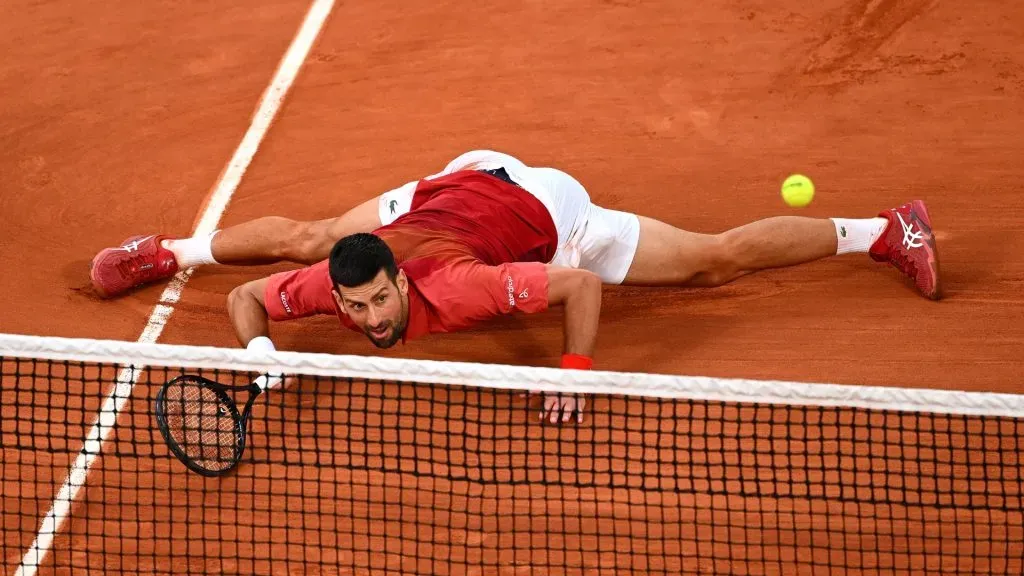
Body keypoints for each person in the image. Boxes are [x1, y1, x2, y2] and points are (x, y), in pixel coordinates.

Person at [89, 150, 941, 422]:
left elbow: (576, 286)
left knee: (711, 261)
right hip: (456, 183)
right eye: (361, 307)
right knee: (314, 232)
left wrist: (570, 370)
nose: (374, 317)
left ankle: (886, 229)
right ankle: (162, 251)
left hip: (548, 209)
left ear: (395, 283)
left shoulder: (462, 291)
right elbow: (252, 297)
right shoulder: (335, 280)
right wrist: (262, 350)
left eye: (379, 300)